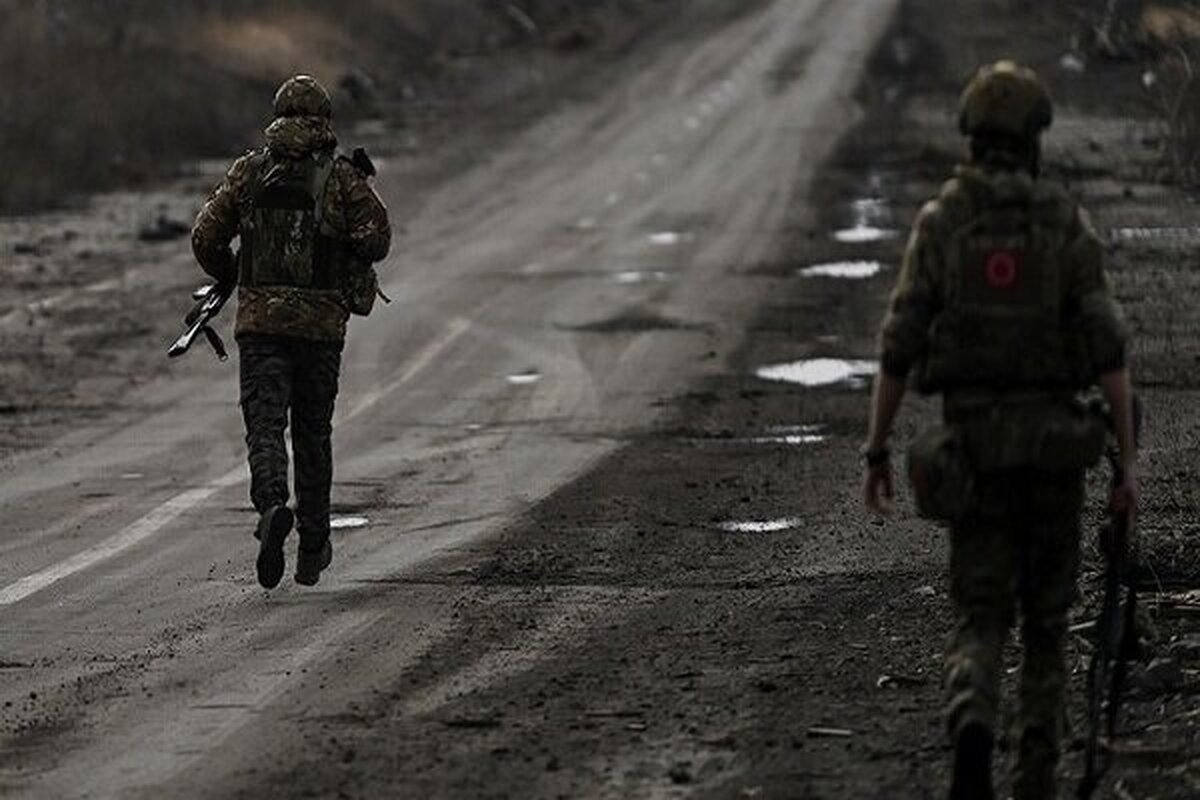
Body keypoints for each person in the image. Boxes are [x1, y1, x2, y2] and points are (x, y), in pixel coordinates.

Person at [861, 61, 1138, 799]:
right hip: (1053, 459)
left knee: (981, 613)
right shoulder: (1064, 223)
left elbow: (897, 346)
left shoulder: (942, 223)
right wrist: (1128, 470)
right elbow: (1109, 354)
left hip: (974, 454)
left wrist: (877, 450)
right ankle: (1036, 778)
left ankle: (974, 712)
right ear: (1035, 138)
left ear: (973, 138)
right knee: (1047, 628)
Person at [191, 75, 391, 589]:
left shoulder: (249, 172)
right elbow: (377, 241)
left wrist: (229, 272)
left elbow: (206, 236)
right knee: (312, 433)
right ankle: (313, 545)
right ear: (325, 120)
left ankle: (272, 506)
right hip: (322, 330)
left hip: (260, 327)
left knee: (264, 425)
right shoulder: (343, 179)